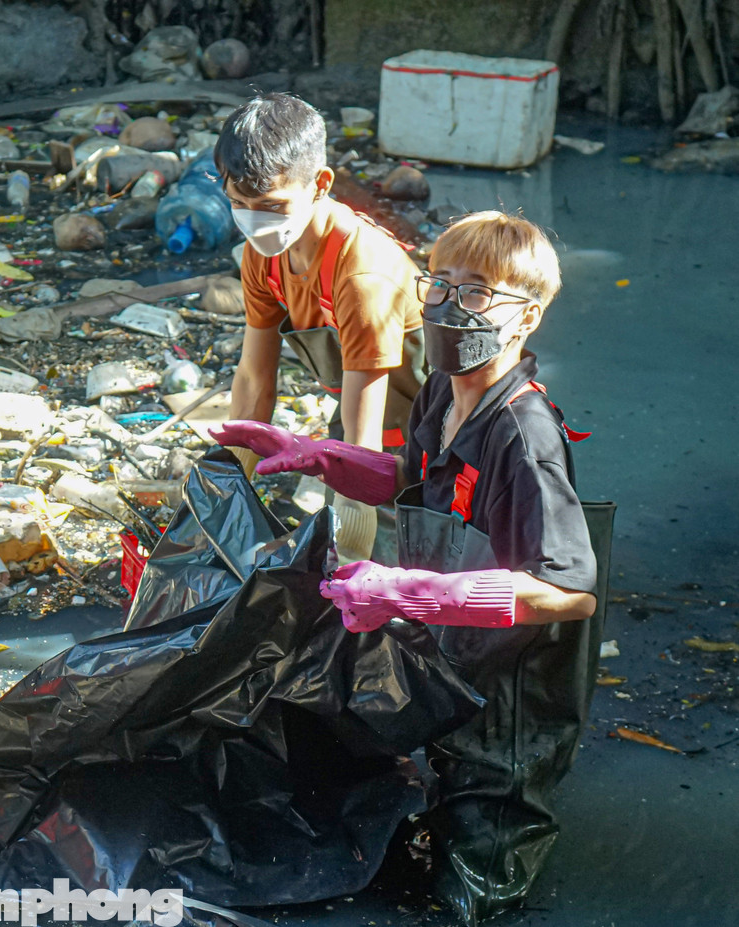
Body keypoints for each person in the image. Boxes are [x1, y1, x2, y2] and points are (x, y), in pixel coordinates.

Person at [213, 211, 610, 925]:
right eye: (441, 283)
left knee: (465, 895)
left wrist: (407, 590)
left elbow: (569, 594)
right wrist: (320, 453)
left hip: (512, 707)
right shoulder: (443, 393)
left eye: (478, 290)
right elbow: (412, 476)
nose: (449, 305)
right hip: (457, 668)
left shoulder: (524, 436)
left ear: (528, 316)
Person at [215, 92, 427, 563]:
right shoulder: (264, 256)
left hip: (426, 431)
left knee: (392, 575)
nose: (254, 220)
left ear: (320, 184)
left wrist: (353, 543)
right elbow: (253, 378)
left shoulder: (361, 275)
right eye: (239, 203)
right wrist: (230, 480)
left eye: (271, 204)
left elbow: (363, 441)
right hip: (356, 405)